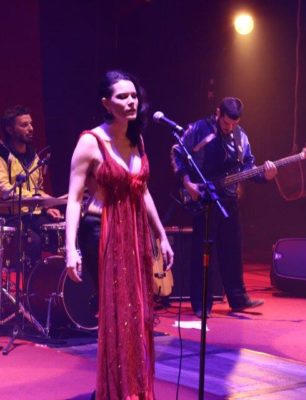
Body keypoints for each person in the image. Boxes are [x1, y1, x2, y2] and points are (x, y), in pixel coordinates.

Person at [65, 70, 174, 399]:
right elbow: (73, 199)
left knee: (139, 313)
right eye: (122, 97)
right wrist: (71, 249)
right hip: (104, 233)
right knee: (117, 315)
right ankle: (115, 390)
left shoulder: (136, 139)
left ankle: (135, 387)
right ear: (105, 103)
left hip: (136, 234)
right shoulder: (91, 141)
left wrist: (162, 235)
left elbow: (143, 192)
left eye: (133, 96)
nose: (130, 102)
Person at [171, 97, 277, 318]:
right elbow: (176, 152)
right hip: (204, 197)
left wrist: (265, 176)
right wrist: (187, 183)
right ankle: (201, 304)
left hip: (228, 199)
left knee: (233, 249)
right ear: (218, 113)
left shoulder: (241, 137)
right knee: (203, 252)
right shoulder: (199, 129)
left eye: (234, 124)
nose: (230, 128)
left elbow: (248, 167)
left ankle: (238, 299)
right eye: (226, 123)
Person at [0, 105, 62, 268]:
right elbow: (5, 189)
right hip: (10, 216)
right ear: (10, 129)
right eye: (24, 125)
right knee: (32, 241)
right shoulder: (2, 154)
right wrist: (39, 198)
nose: (30, 128)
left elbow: (37, 189)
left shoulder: (34, 156)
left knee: (60, 232)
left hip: (32, 214)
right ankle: (27, 288)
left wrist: (47, 207)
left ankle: (53, 286)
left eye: (31, 124)